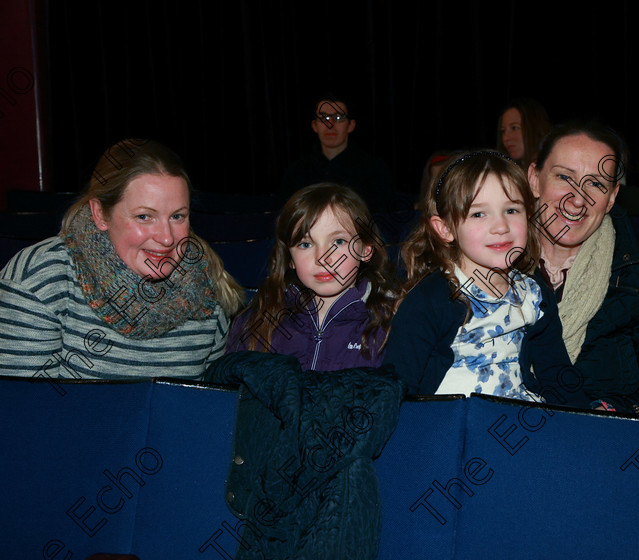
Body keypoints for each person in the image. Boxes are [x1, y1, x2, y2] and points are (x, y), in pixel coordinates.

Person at [0, 139, 243, 380]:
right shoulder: (40, 279)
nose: (167, 238)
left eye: (177, 216)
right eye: (144, 216)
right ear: (100, 214)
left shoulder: (205, 290)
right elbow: (22, 411)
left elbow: (205, 410)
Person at [527, 120, 639, 418]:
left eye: (596, 183)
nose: (577, 199)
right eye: (564, 176)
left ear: (611, 198)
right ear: (535, 178)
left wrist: (608, 411)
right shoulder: (489, 262)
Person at [383, 150, 588, 408]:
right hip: (450, 429)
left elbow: (557, 374)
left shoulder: (534, 295)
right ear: (445, 228)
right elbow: (397, 388)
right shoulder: (429, 301)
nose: (501, 226)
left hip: (519, 425)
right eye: (479, 214)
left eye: (512, 210)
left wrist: (586, 416)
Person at [225, 182, 396, 371]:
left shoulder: (392, 323)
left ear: (366, 249)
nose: (322, 258)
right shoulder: (258, 320)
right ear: (290, 258)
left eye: (338, 241)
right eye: (305, 244)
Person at [281, 94, 393, 213]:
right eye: (323, 118)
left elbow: (383, 219)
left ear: (351, 125)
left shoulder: (374, 169)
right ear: (314, 125)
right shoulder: (296, 172)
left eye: (339, 118)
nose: (330, 125)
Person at [496, 98, 552, 170]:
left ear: (534, 128)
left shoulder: (551, 169)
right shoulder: (508, 173)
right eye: (503, 131)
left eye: (515, 128)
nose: (505, 138)